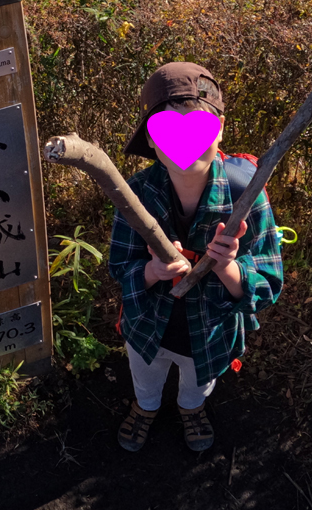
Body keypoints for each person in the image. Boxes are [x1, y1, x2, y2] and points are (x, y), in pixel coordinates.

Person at [108, 63, 283, 453]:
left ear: (219, 129)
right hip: (148, 326)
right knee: (145, 375)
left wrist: (229, 267)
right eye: (168, 129)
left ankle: (191, 409)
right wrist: (152, 271)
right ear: (151, 140)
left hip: (211, 332)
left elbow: (268, 281)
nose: (185, 145)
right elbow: (120, 268)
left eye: (199, 127)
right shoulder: (135, 194)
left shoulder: (246, 193)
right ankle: (145, 408)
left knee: (198, 382)